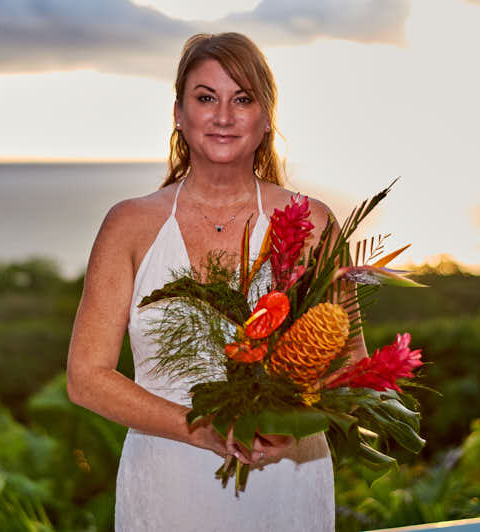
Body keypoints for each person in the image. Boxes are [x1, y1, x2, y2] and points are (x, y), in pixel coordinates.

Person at [66, 32, 367, 531]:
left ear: (266, 117)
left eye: (242, 99)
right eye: (206, 98)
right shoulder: (129, 225)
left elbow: (353, 368)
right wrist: (203, 429)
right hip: (169, 486)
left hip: (287, 481)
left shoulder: (314, 222)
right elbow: (86, 378)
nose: (223, 116)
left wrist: (296, 428)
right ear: (179, 115)